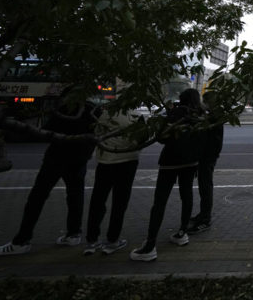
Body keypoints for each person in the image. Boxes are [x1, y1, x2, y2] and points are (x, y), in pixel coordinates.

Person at [0, 91, 100, 256]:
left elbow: (46, 133)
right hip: (79, 160)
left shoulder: (64, 109)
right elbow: (97, 134)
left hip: (56, 158)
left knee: (37, 197)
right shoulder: (93, 110)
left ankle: (22, 240)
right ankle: (73, 234)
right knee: (75, 196)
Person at [130, 88, 203, 261]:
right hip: (191, 162)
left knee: (160, 201)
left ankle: (150, 245)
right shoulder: (200, 116)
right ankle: (182, 233)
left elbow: (162, 138)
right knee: (187, 195)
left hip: (170, 162)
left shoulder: (175, 114)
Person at [83, 107, 140, 255]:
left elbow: (97, 133)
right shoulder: (136, 116)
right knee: (119, 203)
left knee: (98, 200)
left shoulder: (105, 114)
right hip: (127, 162)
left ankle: (91, 241)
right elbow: (142, 138)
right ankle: (112, 240)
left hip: (105, 161)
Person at [187, 92, 224, 235]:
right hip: (209, 156)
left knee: (205, 187)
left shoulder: (214, 117)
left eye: (206, 101)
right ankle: (203, 215)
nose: (204, 103)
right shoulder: (214, 115)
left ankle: (205, 219)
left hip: (207, 157)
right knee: (205, 187)